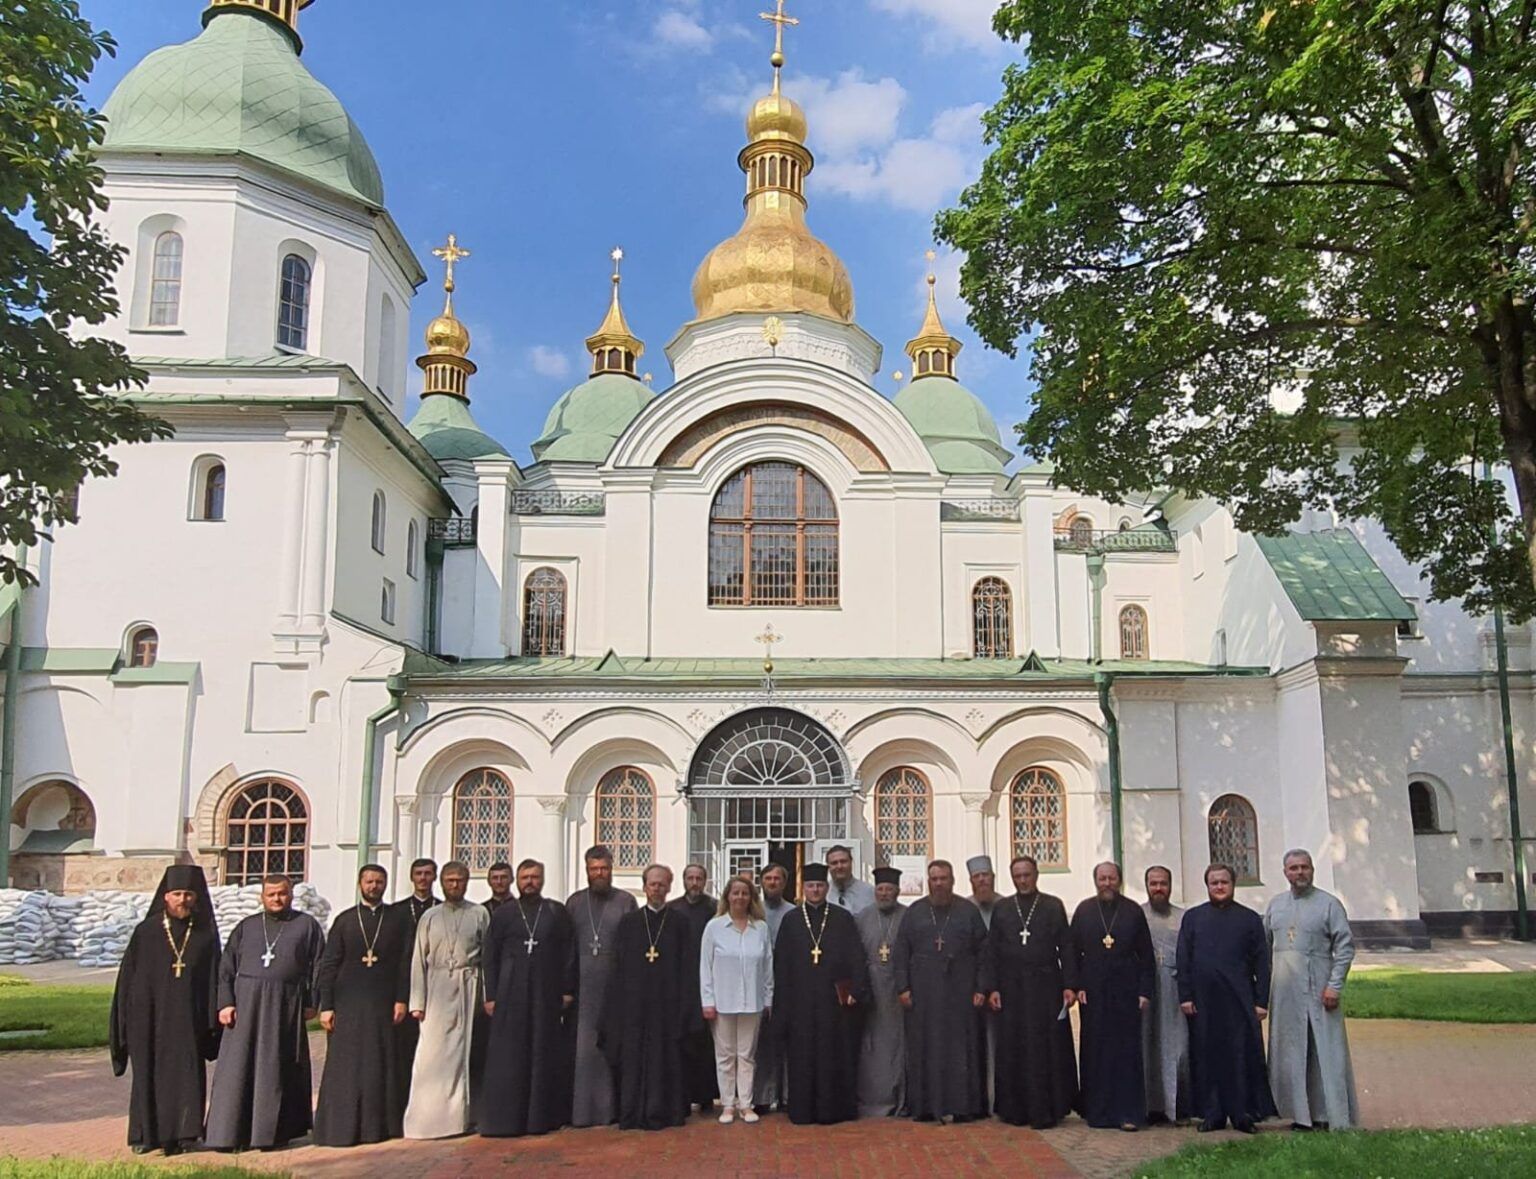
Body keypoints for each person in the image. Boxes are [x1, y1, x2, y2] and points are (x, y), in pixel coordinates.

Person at [204, 874, 326, 1152]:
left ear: (291, 895)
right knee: (238, 1068)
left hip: (285, 1006)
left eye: (282, 894)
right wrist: (226, 1003)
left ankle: (273, 1133)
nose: (276, 899)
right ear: (262, 896)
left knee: (277, 1067)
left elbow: (319, 967)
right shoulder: (246, 927)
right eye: (271, 894)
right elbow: (226, 968)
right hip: (246, 1006)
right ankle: (229, 1133)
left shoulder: (306, 926)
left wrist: (312, 1002)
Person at [110, 864, 222, 1157]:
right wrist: (123, 1022)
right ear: (165, 897)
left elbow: (214, 981)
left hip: (188, 1020)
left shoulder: (205, 936)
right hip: (148, 1020)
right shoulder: (145, 933)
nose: (182, 900)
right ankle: (146, 1134)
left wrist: (211, 1021)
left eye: (187, 894)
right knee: (148, 1074)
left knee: (186, 1075)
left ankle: (185, 1133)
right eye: (176, 894)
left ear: (196, 898)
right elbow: (127, 981)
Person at [313, 864, 412, 1147]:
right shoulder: (344, 920)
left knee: (381, 1064)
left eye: (379, 882)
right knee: (346, 1065)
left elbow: (404, 963)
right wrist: (327, 1005)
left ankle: (379, 1127)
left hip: (384, 1004)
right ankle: (341, 1127)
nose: (374, 886)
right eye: (369, 881)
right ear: (360, 884)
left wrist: (402, 999)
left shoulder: (397, 919)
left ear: (386, 884)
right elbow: (329, 964)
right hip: (348, 1004)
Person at [480, 858, 578, 1137]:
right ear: (517, 881)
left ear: (542, 879)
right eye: (525, 878)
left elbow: (568, 953)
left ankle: (542, 1118)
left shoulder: (556, 912)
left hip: (545, 995)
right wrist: (490, 996)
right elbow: (490, 957)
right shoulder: (504, 914)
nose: (530, 882)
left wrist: (567, 990)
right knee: (510, 1057)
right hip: (510, 996)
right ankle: (506, 1119)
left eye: (535, 877)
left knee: (542, 1053)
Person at [1177, 864, 1276, 1134]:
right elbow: (1183, 958)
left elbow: (1262, 963)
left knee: (1240, 1056)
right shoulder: (1193, 918)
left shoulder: (1249, 919)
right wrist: (1185, 995)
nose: (1219, 887)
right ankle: (1212, 1114)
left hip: (1239, 1001)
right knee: (1207, 1056)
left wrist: (1261, 1001)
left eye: (1224, 882)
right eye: (1214, 883)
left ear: (1233, 885)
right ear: (1206, 885)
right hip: (1203, 1001)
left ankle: (1242, 1113)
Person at [1264, 849, 1359, 1131]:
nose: (1299, 873)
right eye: (1293, 868)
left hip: (1319, 987)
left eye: (1304, 867)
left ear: (1313, 870)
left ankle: (1329, 1114)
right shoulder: (1276, 905)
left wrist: (1334, 985)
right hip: (1284, 991)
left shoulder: (1329, 905)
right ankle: (1299, 1115)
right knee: (1291, 1051)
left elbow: (1344, 948)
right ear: (1285, 873)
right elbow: (1264, 945)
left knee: (1324, 1051)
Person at [893, 859, 992, 1123]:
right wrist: (903, 987)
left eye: (944, 878)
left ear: (952, 880)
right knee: (926, 1049)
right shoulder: (914, 912)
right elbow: (901, 952)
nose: (939, 884)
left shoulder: (967, 912)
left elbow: (984, 953)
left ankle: (963, 1107)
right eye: (934, 879)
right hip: (924, 996)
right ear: (928, 881)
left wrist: (981, 987)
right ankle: (926, 1107)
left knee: (961, 1050)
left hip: (961, 993)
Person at [773, 862, 870, 1125]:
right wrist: (782, 1006)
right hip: (800, 1003)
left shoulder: (841, 917)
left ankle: (833, 1110)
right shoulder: (791, 920)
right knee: (802, 1056)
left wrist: (856, 990)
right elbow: (781, 965)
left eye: (819, 886)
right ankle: (802, 1111)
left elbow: (856, 958)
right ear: (803, 889)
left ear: (827, 888)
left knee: (832, 1054)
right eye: (810, 886)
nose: (815, 890)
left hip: (832, 1003)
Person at [601, 864, 692, 1131]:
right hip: (634, 1007)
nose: (657, 888)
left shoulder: (679, 923)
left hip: (667, 1006)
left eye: (662, 884)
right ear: (644, 887)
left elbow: (687, 968)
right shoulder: (629, 923)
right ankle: (632, 1113)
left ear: (669, 887)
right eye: (652, 884)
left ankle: (665, 1112)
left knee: (665, 1059)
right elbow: (618, 967)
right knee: (634, 1060)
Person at [989, 855, 1077, 1130]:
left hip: (1045, 985)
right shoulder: (1002, 908)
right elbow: (992, 951)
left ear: (1036, 874)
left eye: (1027, 874)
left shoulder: (1052, 905)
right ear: (1012, 877)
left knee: (1045, 1048)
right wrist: (992, 987)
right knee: (1014, 1046)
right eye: (1018, 876)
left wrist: (1069, 985)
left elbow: (1067, 947)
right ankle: (1015, 1110)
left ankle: (1047, 1109)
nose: (1023, 880)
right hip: (1011, 986)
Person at [402, 861, 489, 1139]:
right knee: (430, 1056)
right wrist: (417, 1001)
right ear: (441, 882)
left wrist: (486, 998)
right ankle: (425, 1120)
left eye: (460, 880)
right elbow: (418, 960)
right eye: (449, 880)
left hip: (468, 985)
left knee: (462, 1054)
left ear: (466, 882)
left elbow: (487, 958)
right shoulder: (430, 916)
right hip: (436, 987)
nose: (454, 885)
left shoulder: (479, 913)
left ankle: (459, 1119)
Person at [1070, 861, 1155, 1131]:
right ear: (1095, 881)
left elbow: (1146, 956)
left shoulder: (1132, 911)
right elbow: (1072, 953)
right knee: (1095, 1050)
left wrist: (1144, 991)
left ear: (1119, 880)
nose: (1107, 883)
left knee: (1126, 1052)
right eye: (1102, 878)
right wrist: (1077, 984)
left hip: (1127, 991)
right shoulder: (1084, 911)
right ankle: (1098, 1112)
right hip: (1093, 992)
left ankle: (1128, 1113)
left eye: (1112, 878)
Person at [566, 844, 637, 1127]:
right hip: (583, 987)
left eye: (604, 869)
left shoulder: (625, 901)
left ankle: (613, 1111)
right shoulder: (573, 903)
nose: (599, 874)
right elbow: (567, 948)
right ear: (586, 870)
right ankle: (582, 1113)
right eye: (594, 869)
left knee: (613, 1047)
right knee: (584, 1051)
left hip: (615, 984)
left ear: (611, 869)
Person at [700, 876, 774, 1124]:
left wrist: (768, 998)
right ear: (727, 897)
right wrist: (707, 1001)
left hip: (752, 1001)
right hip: (723, 1001)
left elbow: (767, 967)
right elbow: (705, 967)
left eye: (745, 893)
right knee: (725, 1055)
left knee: (747, 1055)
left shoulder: (760, 928)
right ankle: (727, 1105)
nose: (740, 898)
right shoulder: (715, 927)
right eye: (735, 893)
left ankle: (746, 1104)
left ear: (751, 898)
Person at [855, 865, 907, 1118]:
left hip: (898, 991)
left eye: (889, 889)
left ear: (897, 891)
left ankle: (899, 1099)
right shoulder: (862, 917)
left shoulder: (908, 916)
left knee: (898, 1046)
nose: (884, 893)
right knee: (871, 1047)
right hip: (871, 991)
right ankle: (872, 1100)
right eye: (880, 889)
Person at [1141, 865, 1191, 1123]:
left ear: (1170, 886)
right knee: (1147, 1045)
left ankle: (1176, 1107)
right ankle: (1151, 1106)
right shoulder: (1137, 915)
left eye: (1163, 883)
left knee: (1177, 1046)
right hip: (1145, 990)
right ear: (1146, 885)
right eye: (1153, 883)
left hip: (1173, 988)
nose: (1158, 888)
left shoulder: (1183, 918)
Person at [668, 862, 719, 1114]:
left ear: (705, 881)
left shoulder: (715, 908)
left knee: (707, 1042)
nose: (695, 883)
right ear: (684, 880)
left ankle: (707, 1095)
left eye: (699, 878)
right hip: (681, 982)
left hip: (711, 980)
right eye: (690, 878)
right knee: (684, 1039)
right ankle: (684, 1093)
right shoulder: (673, 909)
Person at [392, 857, 439, 1113]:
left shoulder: (441, 909)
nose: (423, 878)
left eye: (428, 873)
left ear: (435, 877)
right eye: (419, 873)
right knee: (403, 1050)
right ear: (412, 877)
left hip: (435, 990)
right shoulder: (397, 912)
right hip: (404, 987)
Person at [751, 861, 792, 1114]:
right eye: (768, 879)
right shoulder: (755, 913)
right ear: (762, 883)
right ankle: (763, 1096)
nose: (773, 883)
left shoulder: (793, 912)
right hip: (758, 985)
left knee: (787, 1041)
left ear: (784, 883)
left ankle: (786, 1094)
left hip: (786, 985)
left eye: (777, 879)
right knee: (761, 1043)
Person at [967, 854, 999, 1113]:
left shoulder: (1006, 906)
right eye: (977, 877)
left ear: (993, 878)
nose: (982, 881)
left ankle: (999, 1099)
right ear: (970, 881)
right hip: (971, 991)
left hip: (1002, 989)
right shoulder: (964, 909)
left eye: (985, 876)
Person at [827, 845, 875, 915]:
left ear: (851, 862)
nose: (839, 866)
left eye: (843, 861)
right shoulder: (824, 893)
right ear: (828, 866)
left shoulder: (869, 892)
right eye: (834, 863)